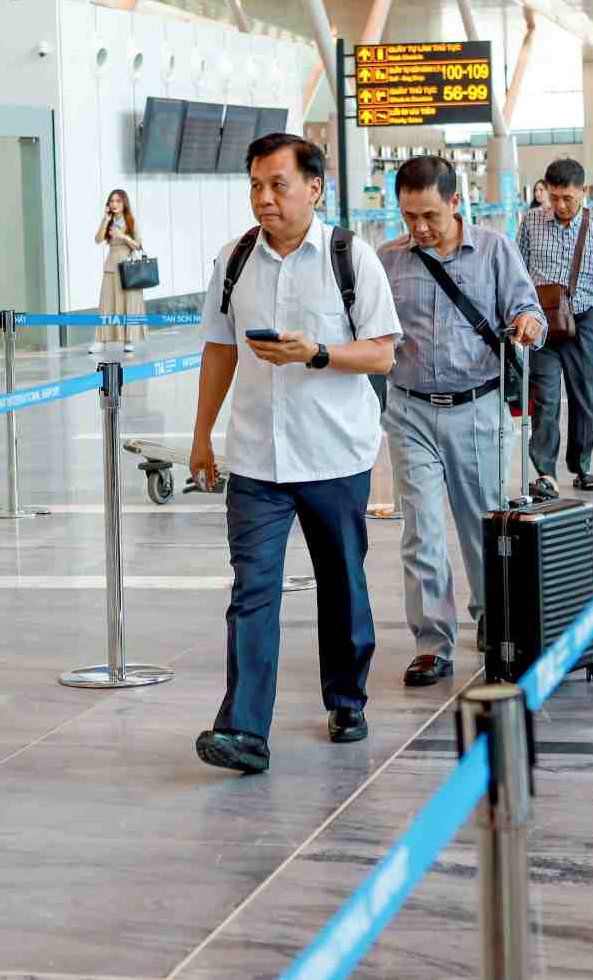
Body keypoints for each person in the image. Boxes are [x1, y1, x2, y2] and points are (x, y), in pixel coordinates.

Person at [190, 133, 400, 776]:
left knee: (342, 584)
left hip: (334, 455)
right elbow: (220, 349)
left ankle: (346, 697)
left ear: (313, 187)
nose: (264, 198)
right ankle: (244, 729)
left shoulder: (350, 257)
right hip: (257, 460)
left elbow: (383, 352)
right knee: (252, 590)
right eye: (255, 185)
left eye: (277, 185)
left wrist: (317, 354)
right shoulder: (235, 260)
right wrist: (202, 436)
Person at [378, 156, 543, 687]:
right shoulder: (388, 260)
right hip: (409, 412)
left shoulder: (495, 250)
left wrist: (524, 323)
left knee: (483, 528)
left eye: (429, 215)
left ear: (455, 202)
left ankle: (493, 623)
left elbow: (531, 311)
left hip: (477, 407)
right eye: (409, 217)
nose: (420, 228)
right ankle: (432, 643)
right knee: (420, 529)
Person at [517, 158, 593, 497]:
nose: (560, 205)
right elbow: (516, 267)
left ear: (583, 191)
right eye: (553, 197)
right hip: (543, 323)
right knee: (546, 397)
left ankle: (582, 465)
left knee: (584, 395)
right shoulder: (532, 222)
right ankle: (545, 473)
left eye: (567, 197)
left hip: (583, 321)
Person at [91, 188, 146, 356]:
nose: (114, 204)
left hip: (128, 267)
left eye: (118, 201)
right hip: (111, 266)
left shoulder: (131, 222)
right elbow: (98, 239)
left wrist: (122, 236)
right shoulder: (108, 220)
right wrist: (105, 221)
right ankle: (100, 340)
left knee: (128, 303)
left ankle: (129, 340)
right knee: (106, 304)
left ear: (124, 204)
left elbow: (138, 245)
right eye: (112, 201)